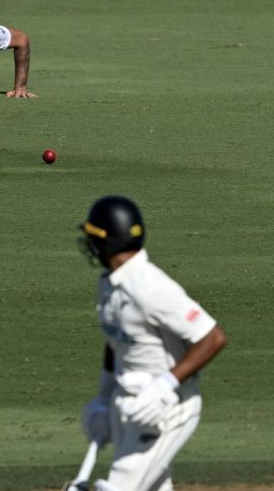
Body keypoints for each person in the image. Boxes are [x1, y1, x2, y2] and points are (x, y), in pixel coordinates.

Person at [77, 196, 227, 491]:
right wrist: (105, 398)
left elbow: (212, 337)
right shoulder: (110, 284)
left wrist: (163, 387)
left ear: (110, 241)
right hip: (127, 403)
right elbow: (117, 342)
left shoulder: (150, 289)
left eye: (94, 237)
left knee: (121, 485)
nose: (89, 245)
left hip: (166, 409)